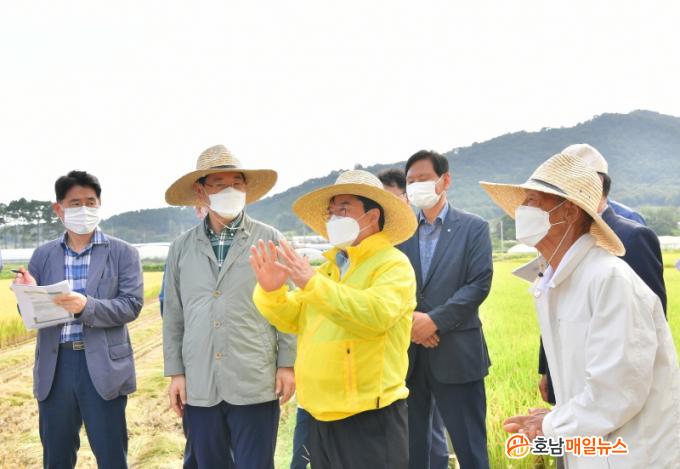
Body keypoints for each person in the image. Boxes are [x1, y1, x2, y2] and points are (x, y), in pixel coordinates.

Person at [480, 153, 680, 468]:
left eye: (532, 201)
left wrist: (549, 425)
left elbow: (617, 391)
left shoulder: (609, 280)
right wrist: (556, 417)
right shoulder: (556, 279)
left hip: (632, 455)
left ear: (569, 212)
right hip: (592, 448)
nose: (522, 211)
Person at [251, 170, 417, 469]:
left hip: (369, 414)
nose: (334, 218)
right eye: (331, 212)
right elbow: (294, 318)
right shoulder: (330, 269)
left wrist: (312, 284)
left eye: (344, 209)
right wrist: (272, 292)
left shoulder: (393, 264)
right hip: (320, 411)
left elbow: (375, 314)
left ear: (372, 215)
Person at [162, 145, 296, 469]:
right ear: (201, 191)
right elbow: (174, 316)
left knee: (256, 463)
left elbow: (289, 307)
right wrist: (176, 373)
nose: (230, 191)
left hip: (254, 376)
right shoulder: (181, 248)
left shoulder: (269, 239)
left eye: (237, 183)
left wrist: (287, 364)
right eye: (220, 185)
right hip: (200, 379)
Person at [13, 170, 143, 469]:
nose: (84, 209)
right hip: (56, 365)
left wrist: (86, 306)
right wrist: (26, 294)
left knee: (111, 456)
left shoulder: (123, 253)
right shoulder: (43, 255)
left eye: (90, 202)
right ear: (58, 209)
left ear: (99, 204)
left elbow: (131, 305)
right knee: (56, 457)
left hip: (103, 365)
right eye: (75, 203)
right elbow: (29, 314)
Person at [538, 144, 668, 405]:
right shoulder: (560, 237)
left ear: (595, 185)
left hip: (611, 380)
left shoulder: (632, 237)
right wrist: (547, 368)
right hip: (567, 369)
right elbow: (555, 304)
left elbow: (648, 322)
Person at [399, 151, 493, 469]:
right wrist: (413, 324)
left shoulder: (473, 227)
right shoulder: (400, 234)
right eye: (411, 181)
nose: (416, 186)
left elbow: (478, 284)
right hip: (409, 356)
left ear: (445, 180)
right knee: (411, 451)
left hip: (457, 352)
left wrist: (434, 321)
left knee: (471, 450)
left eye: (423, 179)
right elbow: (391, 288)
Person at [379, 167, 451, 468]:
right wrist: (409, 324)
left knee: (431, 430)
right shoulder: (378, 242)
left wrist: (426, 323)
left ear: (405, 199)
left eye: (392, 198)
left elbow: (442, 284)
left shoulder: (421, 234)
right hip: (396, 350)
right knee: (406, 430)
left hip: (436, 341)